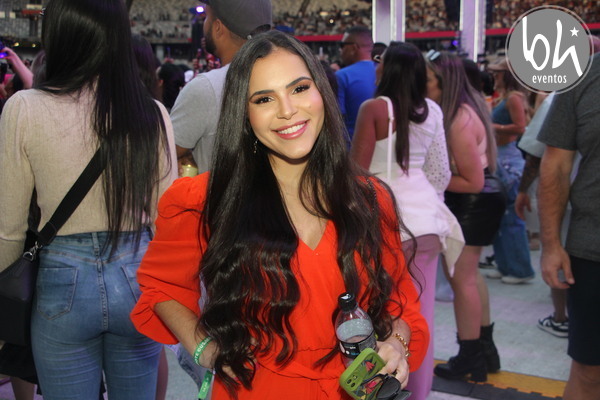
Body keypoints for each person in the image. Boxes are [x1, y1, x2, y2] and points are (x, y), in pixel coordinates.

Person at [132, 30, 429, 400]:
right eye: (264, 98)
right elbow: (163, 288)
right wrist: (205, 350)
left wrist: (397, 344)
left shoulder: (369, 200)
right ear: (245, 114)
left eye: (299, 88)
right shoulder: (206, 200)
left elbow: (399, 302)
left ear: (321, 92)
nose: (287, 110)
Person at [0, 0, 177, 399]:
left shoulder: (24, 109)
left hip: (61, 279)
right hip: (136, 275)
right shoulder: (150, 112)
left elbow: (8, 230)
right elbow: (167, 221)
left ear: (58, 34)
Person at [351, 42, 463, 400]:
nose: (376, 66)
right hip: (426, 223)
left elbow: (357, 174)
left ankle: (383, 388)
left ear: (390, 69)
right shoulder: (432, 110)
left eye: (380, 61)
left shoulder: (374, 109)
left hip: (384, 222)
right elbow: (440, 172)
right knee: (420, 316)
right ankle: (419, 391)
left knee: (381, 313)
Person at [427, 52, 505, 382]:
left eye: (427, 80)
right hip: (481, 198)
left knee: (462, 280)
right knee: (470, 278)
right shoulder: (464, 110)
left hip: (473, 201)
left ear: (444, 83)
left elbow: (472, 180)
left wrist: (425, 178)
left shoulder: (458, 118)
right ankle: (484, 350)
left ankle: (470, 356)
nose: (421, 86)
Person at [537, 52, 600, 400]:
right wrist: (550, 245)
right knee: (589, 372)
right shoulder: (583, 75)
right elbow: (556, 165)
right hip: (593, 248)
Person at [171, 0, 272, 173]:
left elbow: (163, 158)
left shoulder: (206, 88)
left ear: (218, 28)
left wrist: (186, 156)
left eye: (206, 17)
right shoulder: (284, 77)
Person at [486, 57, 535, 284]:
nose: (494, 76)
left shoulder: (513, 98)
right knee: (501, 216)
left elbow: (520, 127)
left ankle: (519, 269)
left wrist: (492, 126)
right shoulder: (506, 97)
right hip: (502, 156)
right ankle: (506, 264)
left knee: (512, 218)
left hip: (507, 158)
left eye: (498, 73)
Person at [335, 25, 376, 141]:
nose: (340, 50)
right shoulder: (385, 72)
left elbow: (338, 116)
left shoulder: (342, 76)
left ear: (354, 47)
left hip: (352, 144)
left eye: (342, 45)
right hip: (383, 146)